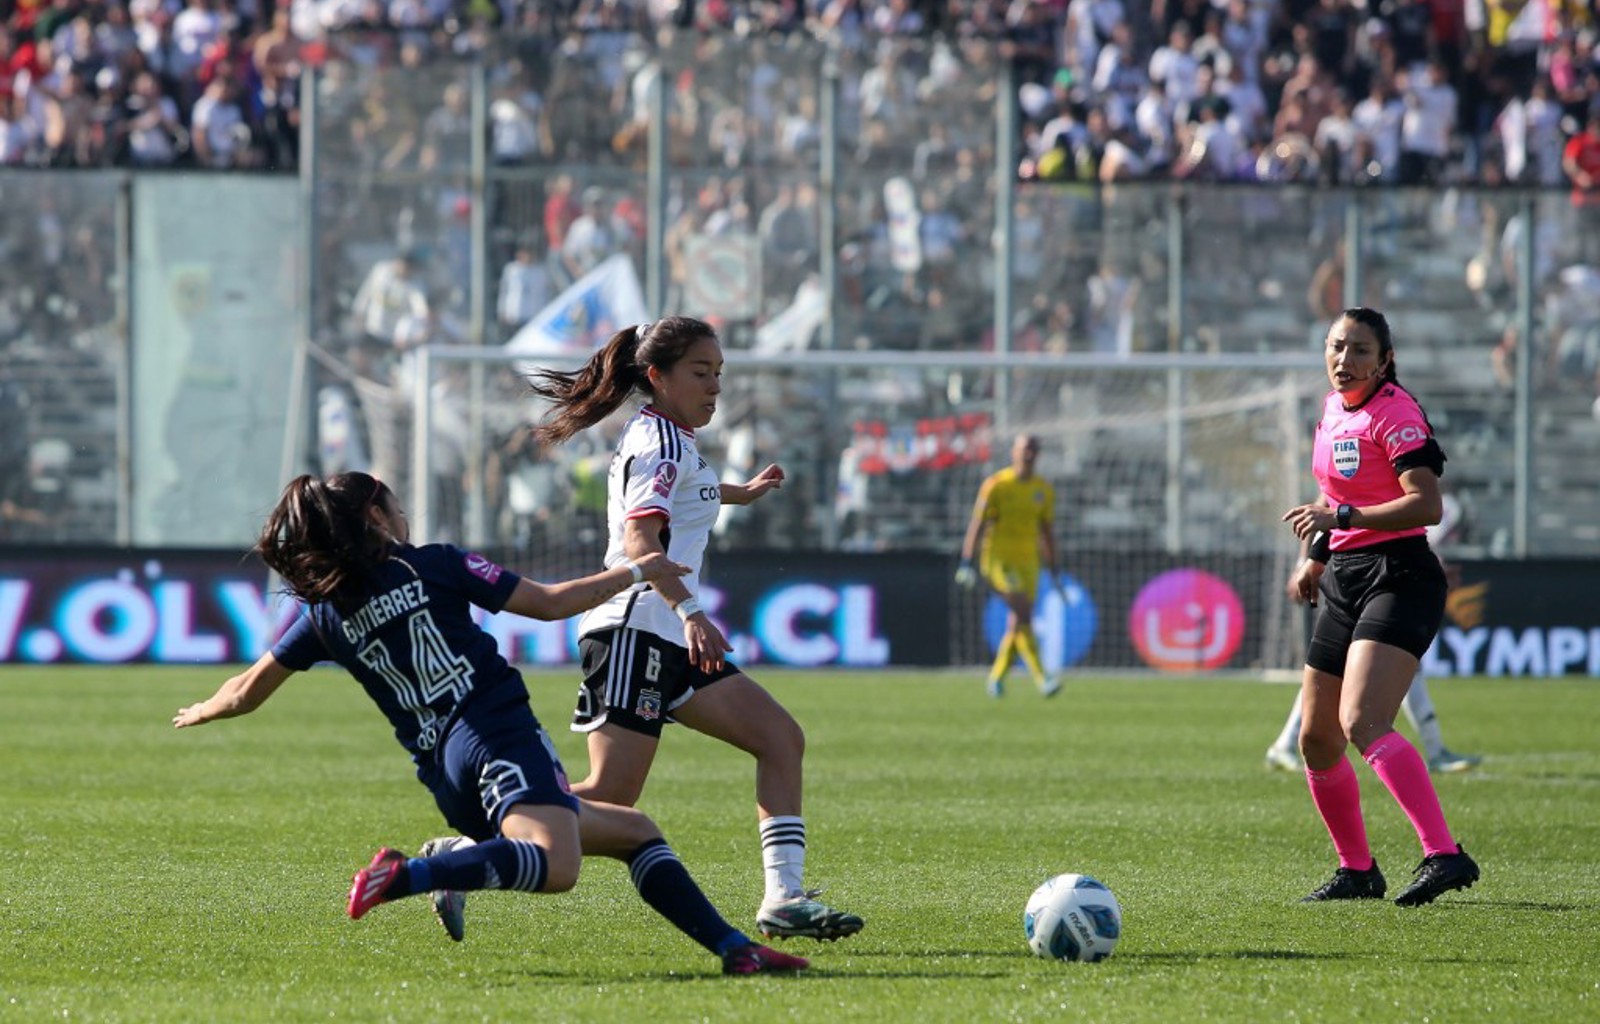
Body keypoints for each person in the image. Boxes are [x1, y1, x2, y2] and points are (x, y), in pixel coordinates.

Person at [172, 471, 809, 976]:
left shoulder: (326, 616)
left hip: (446, 773)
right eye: (395, 507)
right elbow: (549, 604)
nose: (405, 517)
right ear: (376, 518)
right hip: (497, 735)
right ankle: (412, 874)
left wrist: (203, 708)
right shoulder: (436, 564)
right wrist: (638, 570)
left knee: (636, 831)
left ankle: (735, 950)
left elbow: (245, 693)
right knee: (558, 868)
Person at [518, 316, 863, 943]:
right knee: (611, 798)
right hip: (637, 629)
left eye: (719, 374)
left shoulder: (668, 437)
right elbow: (640, 538)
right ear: (657, 376)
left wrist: (741, 493)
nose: (715, 387)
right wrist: (691, 612)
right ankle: (462, 849)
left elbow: (686, 494)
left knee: (780, 738)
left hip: (667, 635)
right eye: (701, 373)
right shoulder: (663, 444)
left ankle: (784, 897)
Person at [1280, 307, 1480, 907]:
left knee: (1362, 722)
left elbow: (1426, 506)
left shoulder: (1396, 413)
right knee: (1316, 739)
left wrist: (1340, 519)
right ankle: (1357, 871)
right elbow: (1333, 492)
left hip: (1400, 575)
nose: (1346, 360)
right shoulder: (1331, 409)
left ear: (1384, 360)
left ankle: (1444, 855)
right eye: (1338, 347)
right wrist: (1316, 553)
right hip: (1344, 574)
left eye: (1361, 350)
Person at [1266, 509, 1483, 775]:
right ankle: (1436, 750)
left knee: (1345, 672)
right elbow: (1323, 515)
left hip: (1381, 571)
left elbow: (1395, 520)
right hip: (1352, 575)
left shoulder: (1397, 478)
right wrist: (1306, 562)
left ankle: (1436, 748)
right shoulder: (1346, 474)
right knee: (1332, 673)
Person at [955, 433, 1063, 698]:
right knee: (1023, 612)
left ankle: (996, 677)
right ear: (1014, 452)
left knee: (1017, 621)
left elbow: (1046, 531)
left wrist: (1053, 566)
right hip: (998, 561)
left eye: (1034, 449)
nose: (1029, 454)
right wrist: (967, 561)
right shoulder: (996, 485)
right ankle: (1043, 677)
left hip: (1028, 563)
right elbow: (977, 524)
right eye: (1025, 448)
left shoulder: (1043, 491)